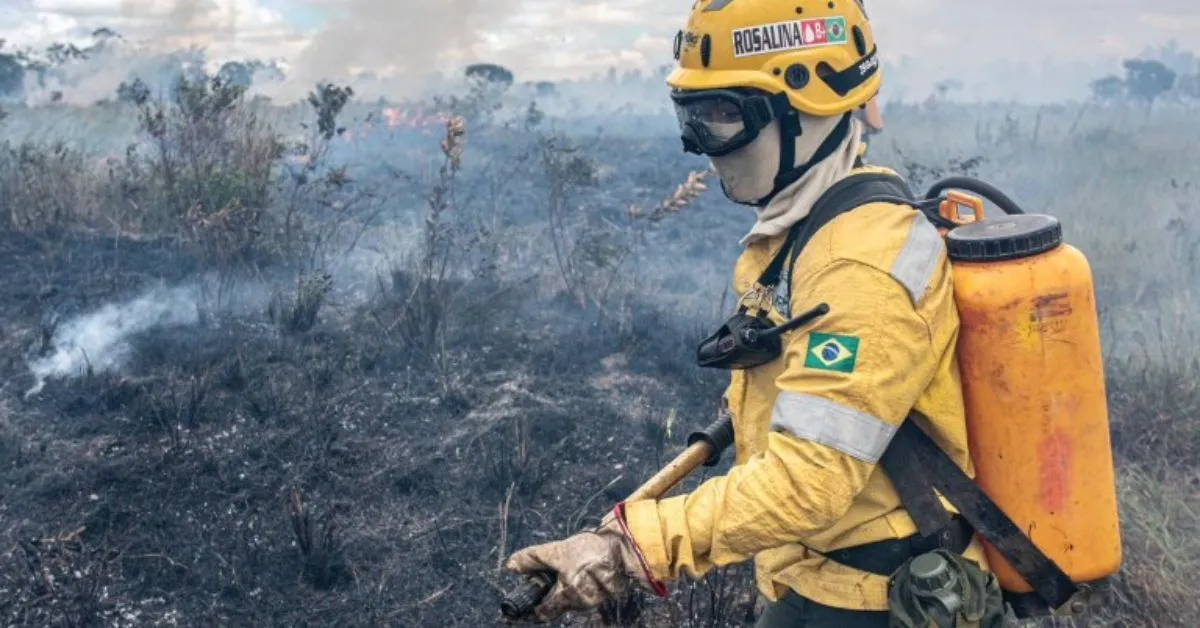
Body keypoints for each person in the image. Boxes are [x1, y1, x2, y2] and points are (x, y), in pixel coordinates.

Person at [505, 1, 990, 626]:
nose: (702, 145)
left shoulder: (859, 269)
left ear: (807, 106)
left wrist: (632, 550)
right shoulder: (812, 228)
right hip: (814, 576)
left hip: (876, 601)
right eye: (694, 116)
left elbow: (808, 481)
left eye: (725, 114)